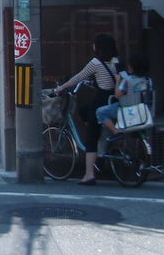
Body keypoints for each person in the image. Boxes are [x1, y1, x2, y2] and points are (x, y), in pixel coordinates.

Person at [52, 33, 122, 185]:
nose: (93, 46)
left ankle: (89, 175)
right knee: (84, 111)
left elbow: (79, 77)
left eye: (95, 44)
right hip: (114, 101)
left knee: (91, 138)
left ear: (98, 47)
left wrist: (61, 88)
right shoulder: (117, 61)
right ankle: (100, 153)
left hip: (101, 101)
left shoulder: (96, 63)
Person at [97, 53, 153, 139]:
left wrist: (117, 80)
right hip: (144, 112)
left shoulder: (127, 81)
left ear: (133, 67)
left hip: (128, 111)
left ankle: (116, 132)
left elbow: (117, 95)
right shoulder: (148, 81)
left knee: (100, 112)